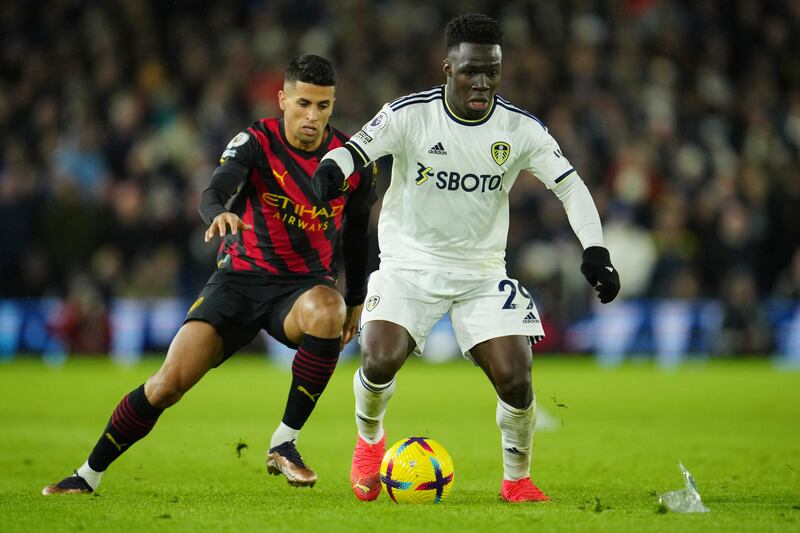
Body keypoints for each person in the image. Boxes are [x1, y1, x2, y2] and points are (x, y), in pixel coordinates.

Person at [312, 14, 620, 503]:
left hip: (480, 272)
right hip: (408, 265)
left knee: (516, 376)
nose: (482, 83)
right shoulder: (408, 115)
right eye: (471, 71)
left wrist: (596, 250)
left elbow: (571, 187)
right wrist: (333, 169)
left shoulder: (520, 128)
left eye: (492, 72)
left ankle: (516, 479)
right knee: (378, 358)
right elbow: (355, 150)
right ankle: (370, 442)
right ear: (447, 68)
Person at [42, 54, 376, 495]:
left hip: (299, 290)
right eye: (303, 104)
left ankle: (284, 443)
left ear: (333, 105)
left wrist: (356, 298)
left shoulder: (352, 161)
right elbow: (215, 189)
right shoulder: (257, 140)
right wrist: (218, 213)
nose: (312, 116)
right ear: (282, 99)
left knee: (327, 308)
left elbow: (356, 235)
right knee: (167, 385)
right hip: (238, 279)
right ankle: (87, 475)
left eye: (322, 106)